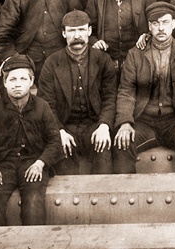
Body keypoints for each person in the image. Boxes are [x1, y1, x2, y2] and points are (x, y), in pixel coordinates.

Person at [0, 54, 61, 226]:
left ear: (31, 81)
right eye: (12, 79)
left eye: (23, 78)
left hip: (33, 164)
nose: (18, 83)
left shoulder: (42, 107)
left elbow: (54, 142)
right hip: (3, 166)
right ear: (4, 83)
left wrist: (40, 163)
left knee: (34, 201)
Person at [113, 2, 175, 173]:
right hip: (144, 122)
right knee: (122, 144)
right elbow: (126, 91)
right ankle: (129, 196)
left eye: (165, 22)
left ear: (173, 24)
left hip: (172, 120)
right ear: (149, 26)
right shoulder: (135, 54)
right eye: (155, 23)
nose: (161, 28)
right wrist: (125, 122)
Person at [36, 10, 118, 174]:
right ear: (63, 33)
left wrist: (103, 126)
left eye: (81, 30)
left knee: (104, 159)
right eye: (71, 31)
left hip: (94, 125)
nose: (76, 35)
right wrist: (58, 132)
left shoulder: (103, 60)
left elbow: (111, 98)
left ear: (89, 31)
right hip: (64, 127)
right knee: (62, 165)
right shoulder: (52, 63)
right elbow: (46, 104)